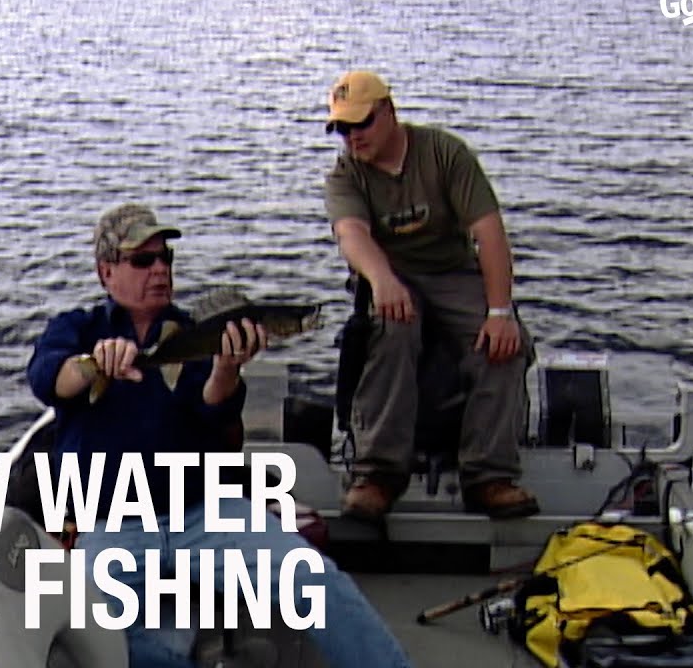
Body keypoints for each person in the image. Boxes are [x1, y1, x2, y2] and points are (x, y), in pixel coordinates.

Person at [26, 203, 412, 668]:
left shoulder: (196, 334)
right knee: (100, 635)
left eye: (166, 258)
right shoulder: (78, 329)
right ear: (106, 272)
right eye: (143, 260)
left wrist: (226, 371)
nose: (160, 270)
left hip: (205, 512)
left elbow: (217, 421)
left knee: (315, 580)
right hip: (113, 523)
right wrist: (93, 365)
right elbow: (49, 378)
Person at [321, 70, 540, 521]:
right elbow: (352, 234)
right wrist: (382, 279)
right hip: (390, 273)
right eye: (342, 128)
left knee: (502, 344)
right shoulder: (346, 174)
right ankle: (379, 473)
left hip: (452, 272)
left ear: (389, 112)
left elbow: (489, 233)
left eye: (361, 124)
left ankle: (489, 475)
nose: (352, 137)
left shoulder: (444, 153)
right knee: (391, 331)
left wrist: (499, 312)